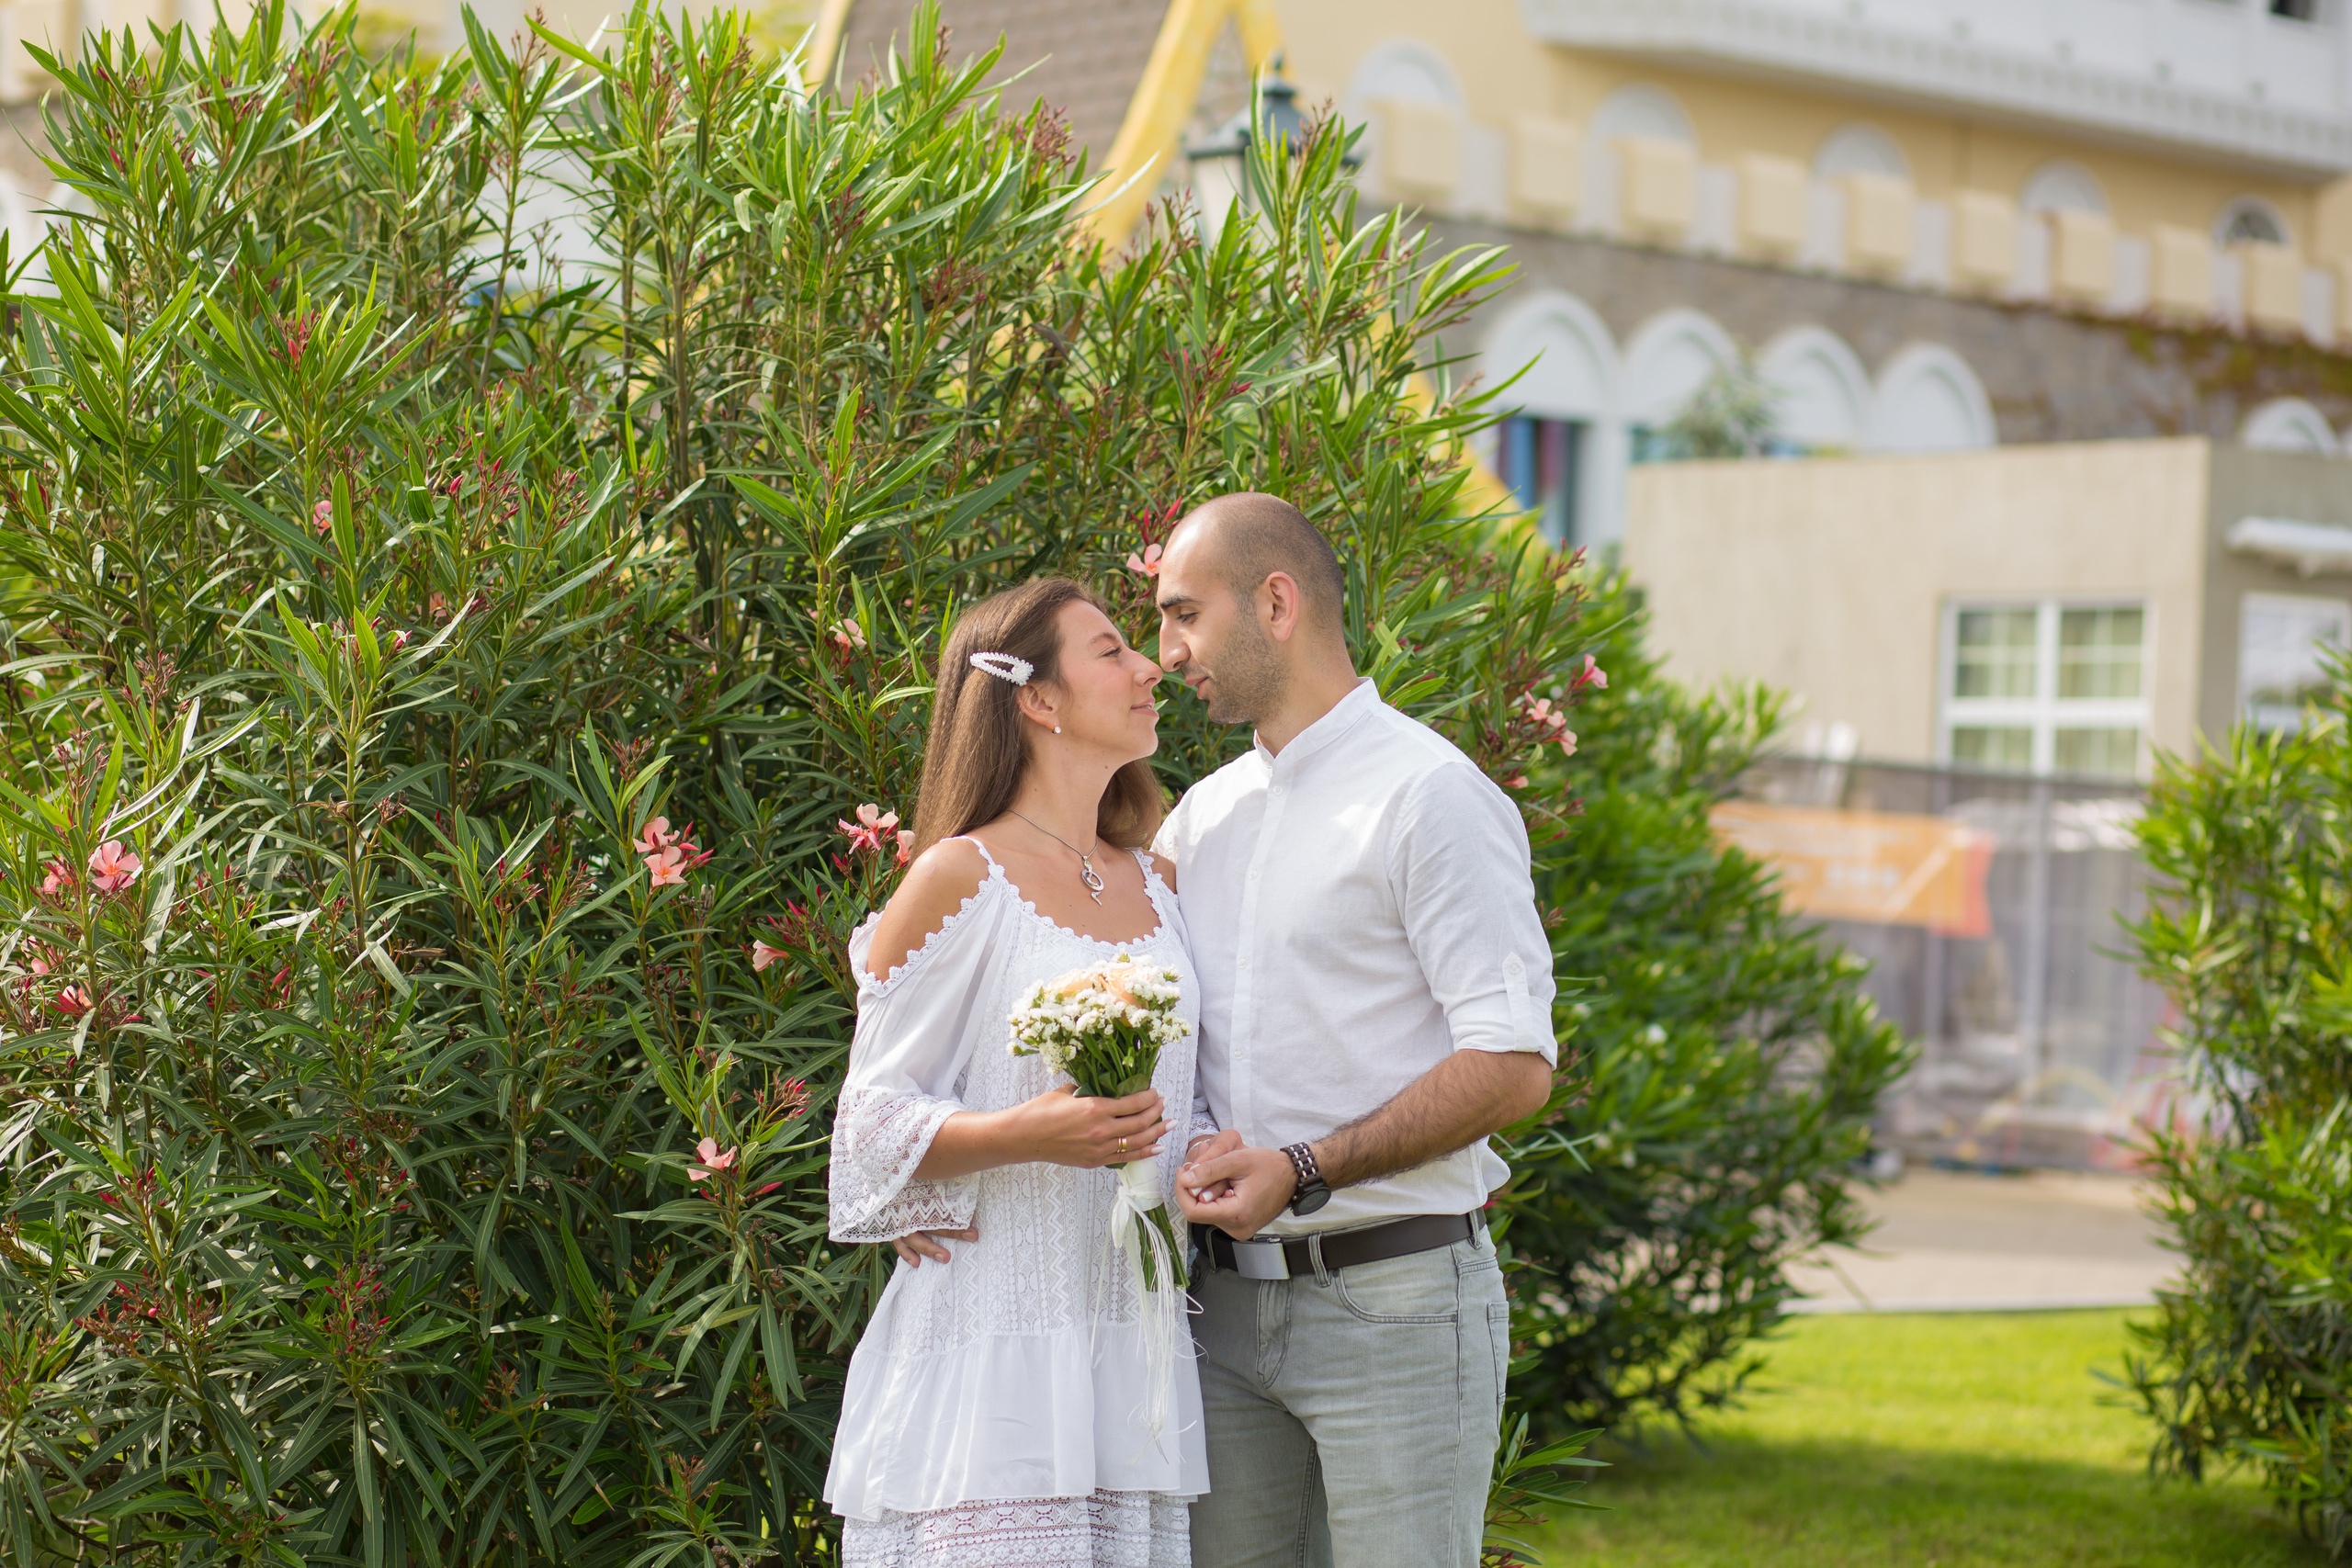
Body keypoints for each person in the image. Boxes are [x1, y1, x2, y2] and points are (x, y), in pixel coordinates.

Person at [1150, 493, 1559, 1568]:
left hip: (1399, 1307)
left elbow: (1513, 1066)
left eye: (1184, 614)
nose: (1166, 652)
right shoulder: (1201, 816)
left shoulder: (1429, 796)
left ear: (1275, 602)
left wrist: (1303, 1167)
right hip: (1221, 1318)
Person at [824, 577, 1212, 1566]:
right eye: (1113, 649)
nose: (1147, 668)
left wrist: (1210, 1144)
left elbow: (1186, 1089)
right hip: (998, 1340)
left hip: (1129, 1347)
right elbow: (867, 1127)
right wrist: (1019, 1136)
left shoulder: (1158, 883)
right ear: (1034, 698)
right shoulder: (959, 876)